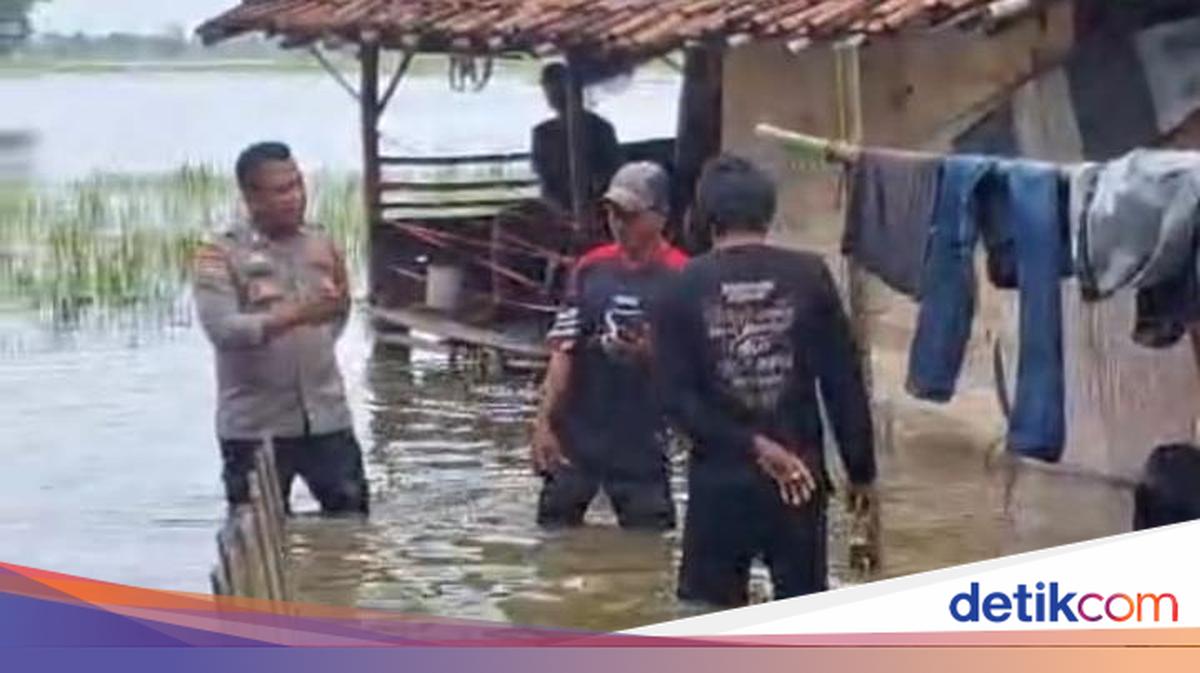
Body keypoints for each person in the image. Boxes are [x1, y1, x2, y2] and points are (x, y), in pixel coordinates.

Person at [653, 154, 877, 607]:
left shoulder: (681, 286)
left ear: (703, 217)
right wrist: (862, 474)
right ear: (768, 211)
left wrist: (753, 446)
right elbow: (844, 384)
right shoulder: (809, 275)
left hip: (721, 487)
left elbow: (677, 401)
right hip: (800, 483)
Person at [193, 141, 369, 516]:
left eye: (296, 186)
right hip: (255, 426)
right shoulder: (221, 254)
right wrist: (295, 317)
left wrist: (312, 338)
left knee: (352, 527)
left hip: (326, 417)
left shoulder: (321, 243)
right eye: (280, 190)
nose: (293, 198)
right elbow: (224, 331)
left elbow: (338, 313)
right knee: (252, 531)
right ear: (250, 197)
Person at [530, 161, 688, 530]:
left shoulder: (683, 276)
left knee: (651, 542)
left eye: (630, 215)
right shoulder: (590, 269)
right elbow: (563, 349)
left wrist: (652, 354)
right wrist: (543, 423)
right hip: (579, 432)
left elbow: (693, 369)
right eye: (612, 212)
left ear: (660, 217)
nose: (618, 223)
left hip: (643, 441)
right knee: (553, 535)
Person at [531, 63, 622, 218]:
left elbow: (611, 171)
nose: (552, 95)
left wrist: (594, 200)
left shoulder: (600, 128)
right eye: (549, 90)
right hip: (556, 206)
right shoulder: (542, 133)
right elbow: (544, 177)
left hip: (597, 206)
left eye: (556, 89)